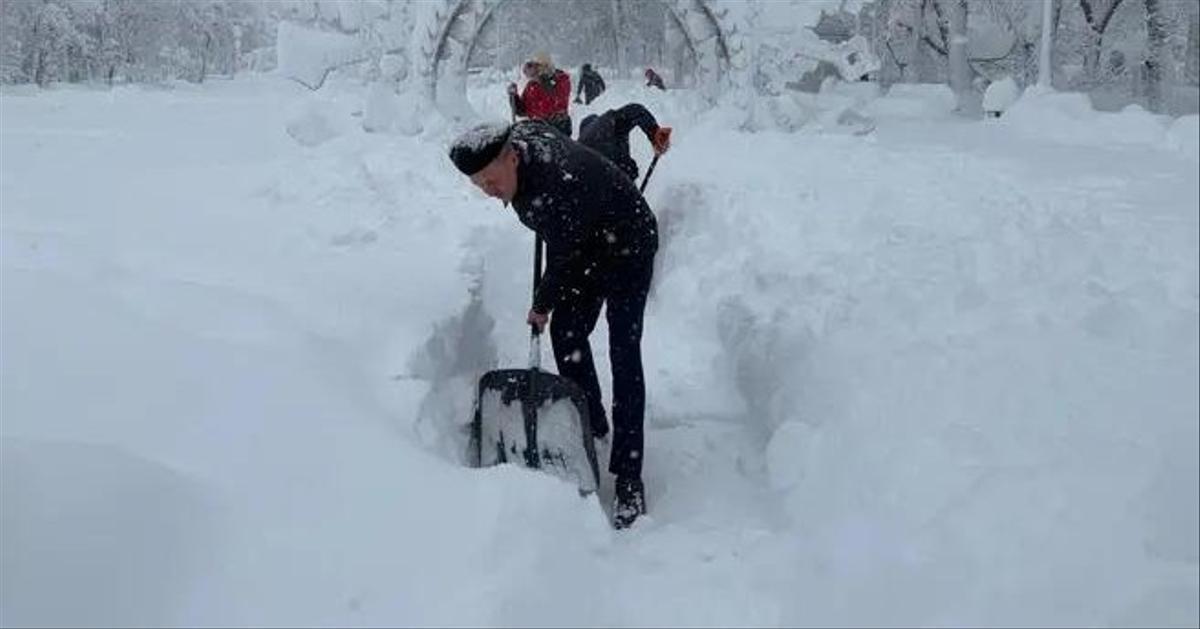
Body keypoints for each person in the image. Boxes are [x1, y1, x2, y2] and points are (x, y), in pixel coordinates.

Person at [448, 120, 658, 529]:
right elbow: (563, 239)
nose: (489, 191)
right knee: (567, 334)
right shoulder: (523, 147)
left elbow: (562, 259)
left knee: (623, 351)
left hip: (628, 244)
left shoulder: (556, 185)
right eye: (479, 184)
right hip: (586, 242)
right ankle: (590, 419)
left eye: (491, 180)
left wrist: (541, 305)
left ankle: (629, 477)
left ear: (512, 157)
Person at [578, 103, 671, 183]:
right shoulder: (608, 125)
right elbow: (636, 111)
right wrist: (654, 132)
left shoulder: (579, 150)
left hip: (597, 186)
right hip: (616, 181)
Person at [509, 52, 572, 136]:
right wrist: (514, 96)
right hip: (537, 132)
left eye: (533, 67)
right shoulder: (531, 86)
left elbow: (556, 103)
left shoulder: (560, 80)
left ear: (542, 67)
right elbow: (522, 111)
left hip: (558, 130)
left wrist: (541, 79)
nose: (529, 72)